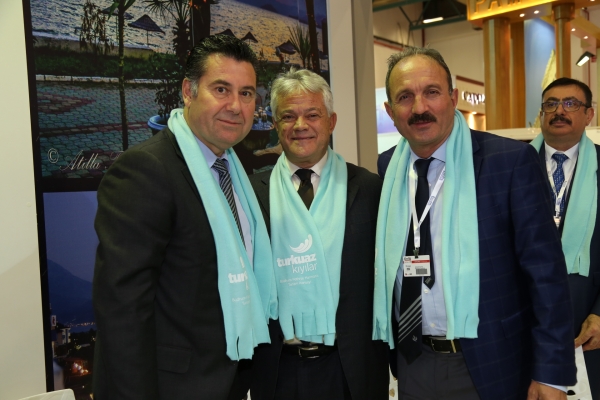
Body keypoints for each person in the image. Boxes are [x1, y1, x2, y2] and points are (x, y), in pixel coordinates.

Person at [373, 47, 576, 400]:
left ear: (453, 98)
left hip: (491, 363)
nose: (419, 108)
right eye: (405, 97)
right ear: (390, 112)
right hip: (412, 361)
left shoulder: (509, 162)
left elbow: (547, 275)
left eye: (431, 92)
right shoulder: (388, 167)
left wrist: (552, 374)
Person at [92, 34, 277, 400]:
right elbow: (123, 308)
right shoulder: (146, 169)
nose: (236, 106)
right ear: (188, 92)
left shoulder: (237, 176)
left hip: (231, 380)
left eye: (246, 93)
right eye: (221, 89)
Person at [248, 68, 389, 400]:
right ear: (275, 124)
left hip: (351, 369)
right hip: (278, 370)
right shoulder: (252, 194)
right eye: (288, 116)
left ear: (331, 121)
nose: (300, 125)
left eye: (312, 115)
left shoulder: (369, 189)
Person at [532, 77, 600, 399]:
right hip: (522, 329)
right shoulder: (509, 168)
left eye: (570, 103)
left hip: (588, 327)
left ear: (589, 114)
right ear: (541, 114)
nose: (559, 111)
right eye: (551, 104)